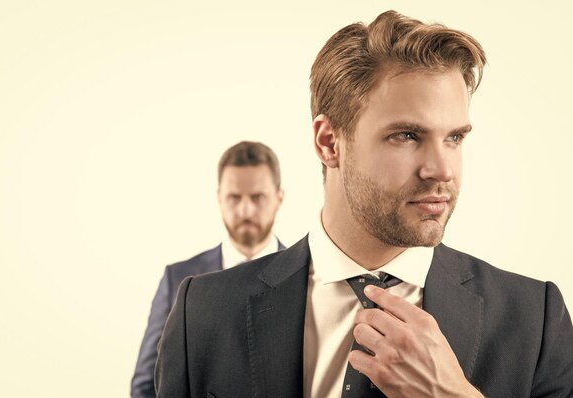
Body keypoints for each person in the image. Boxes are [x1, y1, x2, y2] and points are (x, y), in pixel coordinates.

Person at [155, 10, 573, 398]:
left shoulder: (535, 320)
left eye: (455, 137)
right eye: (407, 135)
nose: (441, 170)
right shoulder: (204, 313)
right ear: (328, 142)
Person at [131, 141, 286, 398]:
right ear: (219, 198)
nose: (245, 210)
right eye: (234, 198)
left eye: (257, 197)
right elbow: (146, 384)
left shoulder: (308, 273)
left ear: (279, 198)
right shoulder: (178, 278)